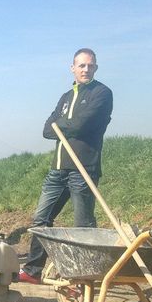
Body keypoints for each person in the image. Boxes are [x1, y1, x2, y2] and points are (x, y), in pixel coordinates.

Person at [19, 48, 113, 284]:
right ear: (72, 67)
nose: (86, 69)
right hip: (58, 169)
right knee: (41, 220)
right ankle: (32, 271)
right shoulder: (65, 97)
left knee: (84, 226)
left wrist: (62, 126)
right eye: (81, 65)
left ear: (96, 68)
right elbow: (46, 129)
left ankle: (86, 278)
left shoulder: (102, 93)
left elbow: (83, 124)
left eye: (90, 65)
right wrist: (65, 125)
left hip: (84, 169)